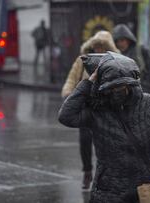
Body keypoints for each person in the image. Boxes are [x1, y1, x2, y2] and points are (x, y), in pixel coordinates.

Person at [58, 51, 150, 202]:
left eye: (122, 85)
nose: (117, 90)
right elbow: (66, 116)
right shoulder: (97, 109)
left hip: (148, 188)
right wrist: (88, 83)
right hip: (109, 191)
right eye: (112, 86)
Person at [61, 30, 119, 190]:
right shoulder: (83, 60)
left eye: (102, 46)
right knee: (85, 140)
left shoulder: (114, 62)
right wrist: (68, 94)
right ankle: (87, 171)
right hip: (86, 106)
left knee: (107, 142)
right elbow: (72, 78)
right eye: (96, 46)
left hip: (106, 108)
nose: (99, 49)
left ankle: (106, 174)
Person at [112, 24, 150, 94]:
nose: (120, 44)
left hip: (142, 93)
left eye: (122, 40)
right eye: (117, 41)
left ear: (128, 40)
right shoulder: (113, 56)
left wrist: (145, 88)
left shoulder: (141, 51)